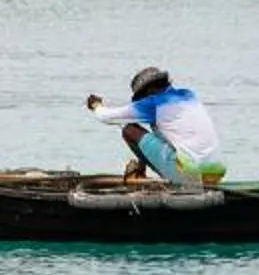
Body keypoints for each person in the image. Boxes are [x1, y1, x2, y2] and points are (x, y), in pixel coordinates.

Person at [86, 66, 226, 187]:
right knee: (155, 130)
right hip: (215, 174)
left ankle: (141, 177)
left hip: (188, 175)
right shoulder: (189, 96)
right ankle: (145, 171)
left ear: (148, 91)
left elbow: (106, 117)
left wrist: (96, 105)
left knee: (130, 130)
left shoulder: (153, 103)